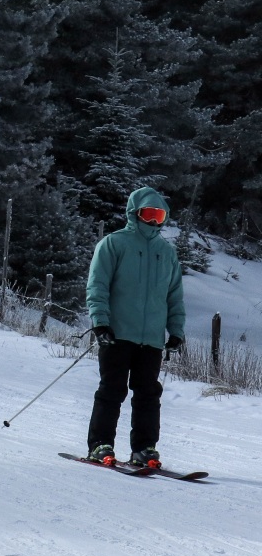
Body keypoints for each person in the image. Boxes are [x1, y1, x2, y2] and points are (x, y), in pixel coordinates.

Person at [85, 186, 185, 468]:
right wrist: (100, 322)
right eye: (148, 214)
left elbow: (174, 294)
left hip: (151, 339)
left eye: (159, 215)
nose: (154, 221)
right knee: (112, 390)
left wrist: (175, 329)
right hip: (117, 333)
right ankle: (100, 444)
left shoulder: (166, 253)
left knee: (148, 395)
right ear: (135, 213)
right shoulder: (114, 243)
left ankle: (145, 448)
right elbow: (98, 285)